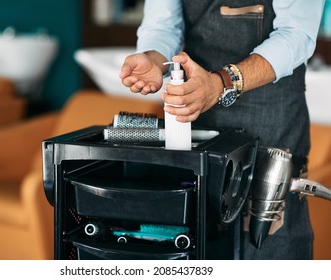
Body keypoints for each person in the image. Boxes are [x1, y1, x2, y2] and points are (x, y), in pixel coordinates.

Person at [119, 0, 325, 259]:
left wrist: (222, 83)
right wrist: (154, 59)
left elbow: (296, 35)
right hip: (201, 125)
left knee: (268, 251)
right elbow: (163, 25)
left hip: (271, 126)